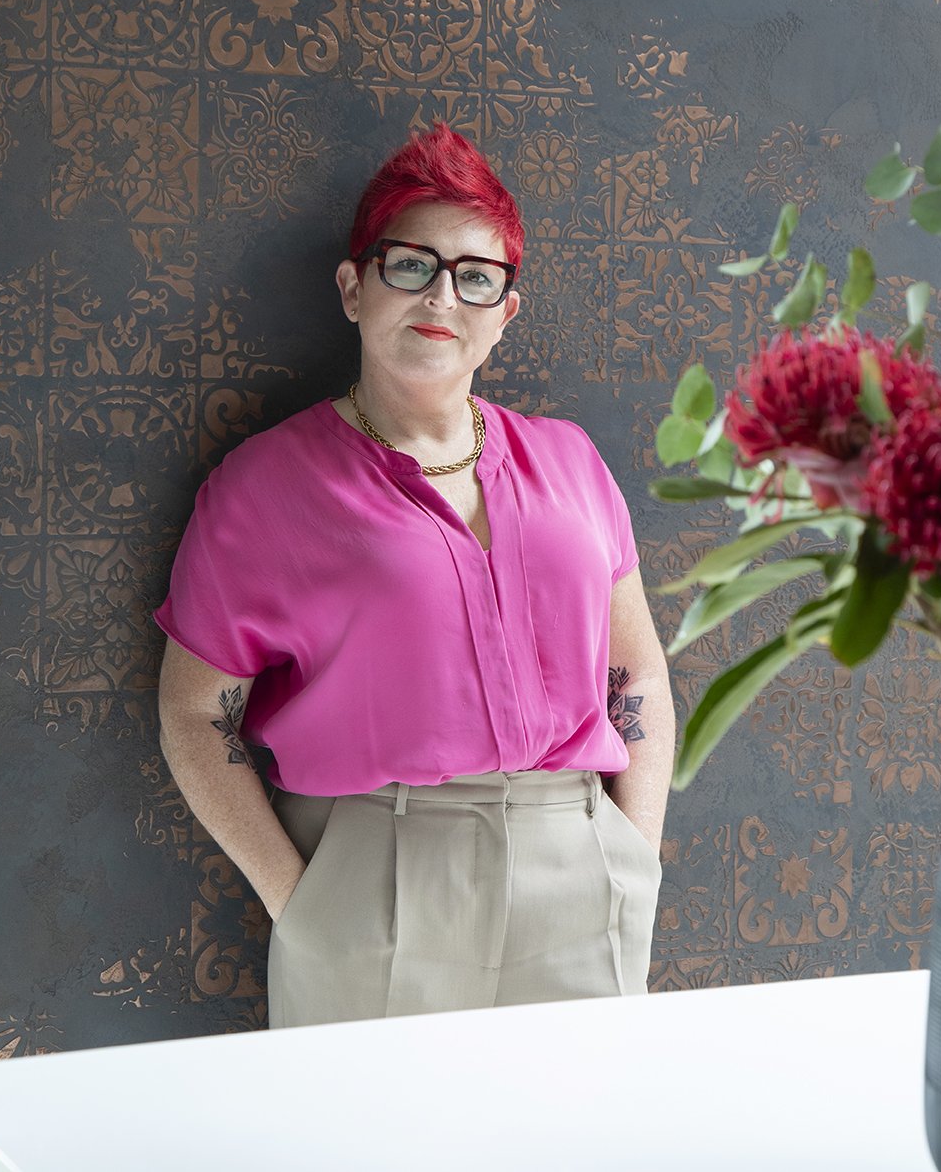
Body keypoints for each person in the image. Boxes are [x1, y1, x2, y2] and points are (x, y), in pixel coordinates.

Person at [154, 123, 675, 1027]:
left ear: (504, 312)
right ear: (355, 286)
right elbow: (194, 711)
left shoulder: (571, 460)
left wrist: (637, 854)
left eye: (476, 276)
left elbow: (638, 674)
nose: (443, 293)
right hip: (374, 876)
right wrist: (303, 905)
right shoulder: (265, 487)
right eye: (411, 264)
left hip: (582, 864)